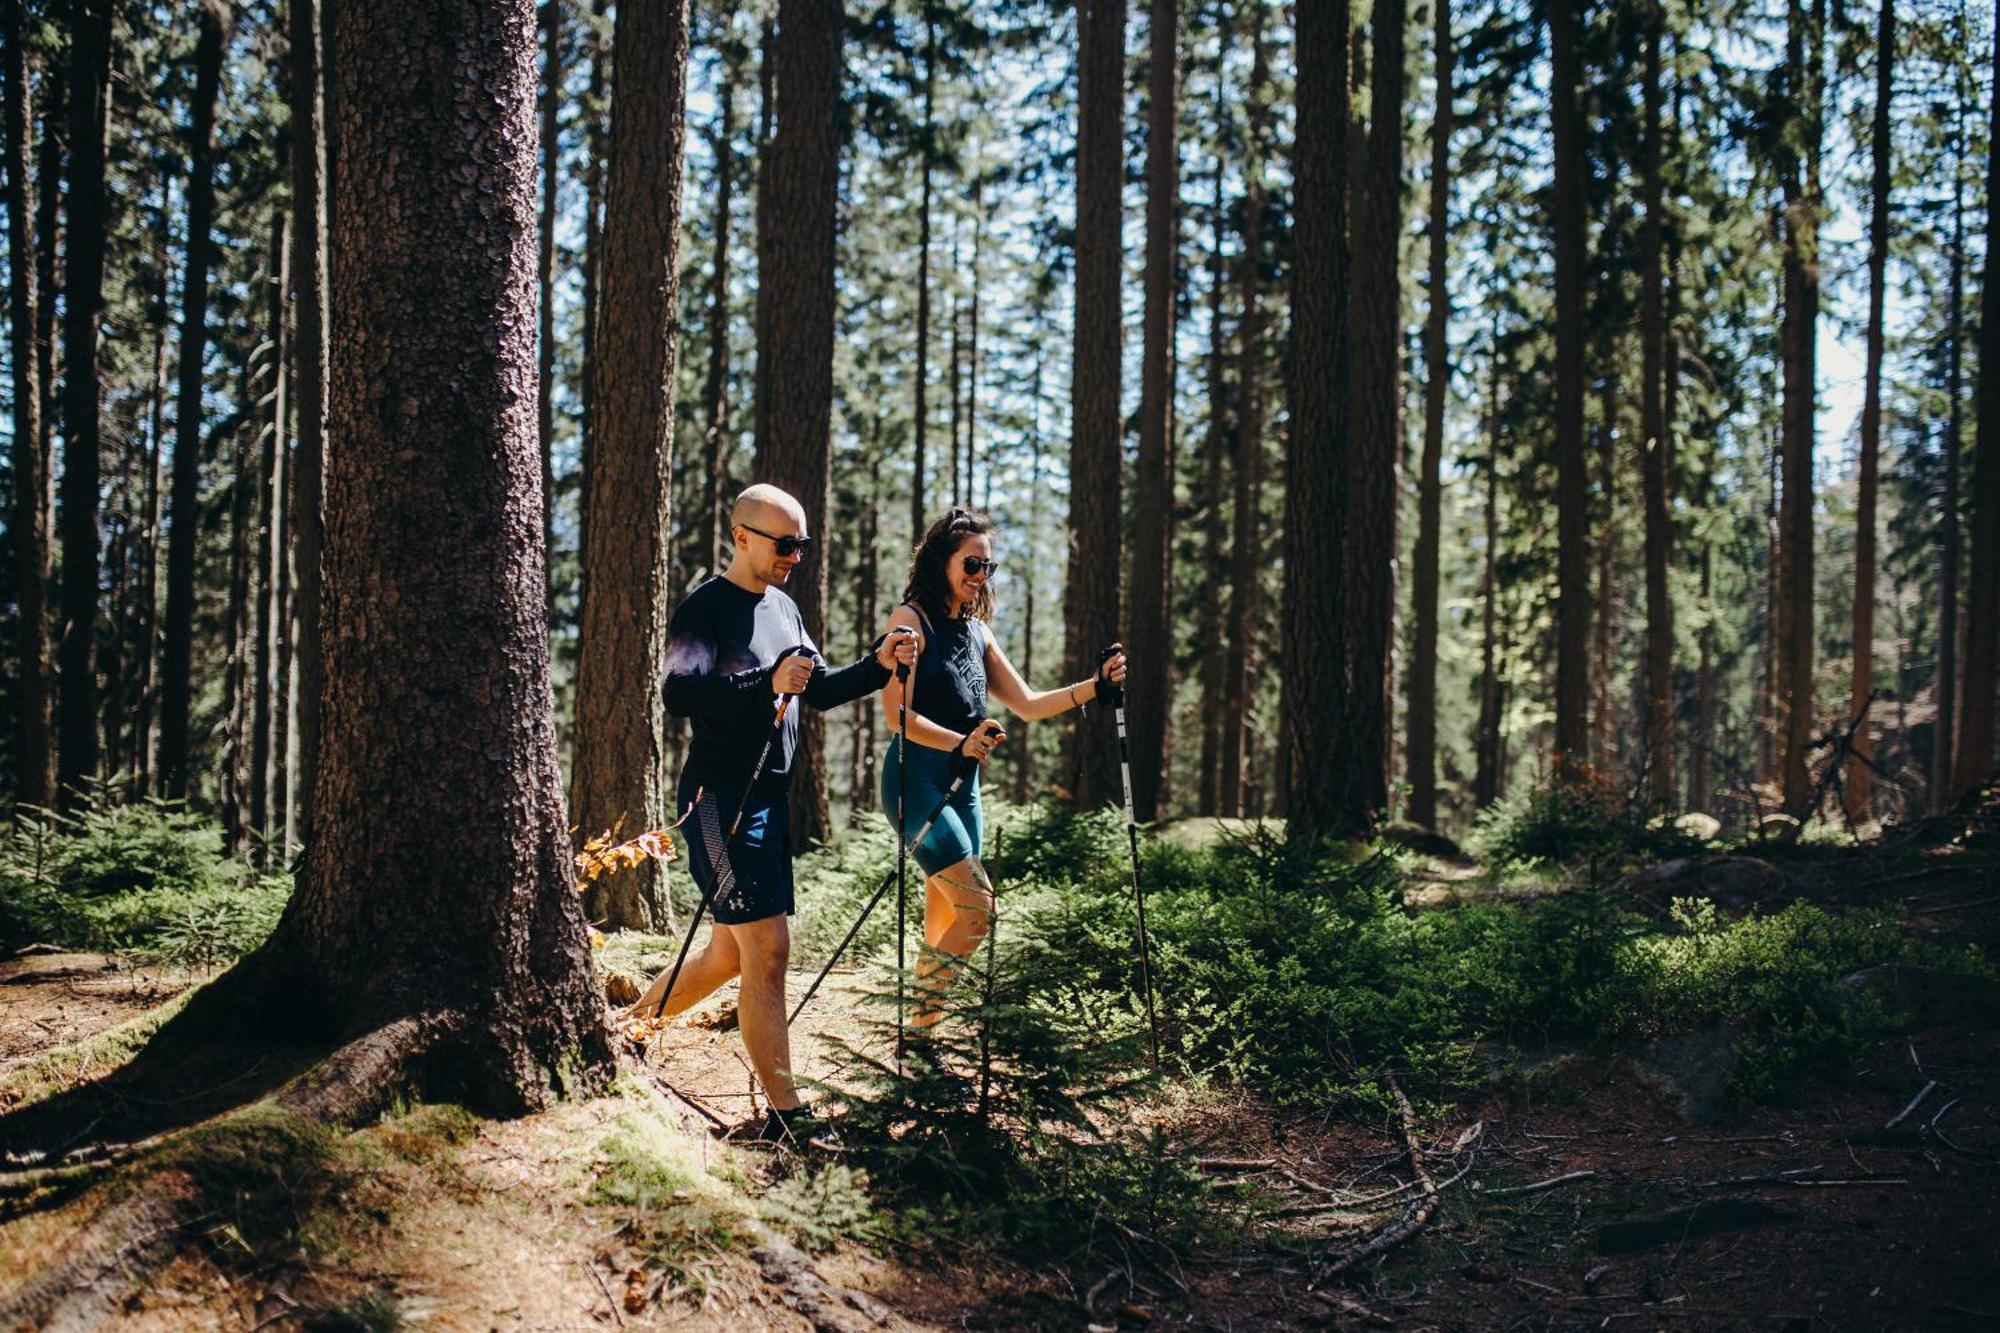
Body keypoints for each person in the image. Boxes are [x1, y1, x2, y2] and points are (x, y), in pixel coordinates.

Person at [629, 484, 917, 1145]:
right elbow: (678, 694)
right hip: (720, 801)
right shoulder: (708, 608)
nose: (795, 556)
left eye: (803, 545)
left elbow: (816, 688)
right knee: (769, 949)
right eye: (785, 544)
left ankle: (627, 1036)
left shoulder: (784, 608)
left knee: (728, 954)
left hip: (769, 802)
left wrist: (877, 663)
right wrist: (764, 683)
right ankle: (788, 1117)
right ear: (742, 536)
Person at [879, 506, 1127, 1026]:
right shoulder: (910, 621)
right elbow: (896, 716)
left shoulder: (977, 633)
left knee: (945, 918)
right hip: (916, 781)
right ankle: (915, 1032)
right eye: (971, 564)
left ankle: (917, 1045)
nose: (979, 577)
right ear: (940, 561)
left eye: (987, 568)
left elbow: (1030, 704)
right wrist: (960, 742)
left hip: (963, 786)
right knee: (978, 913)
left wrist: (1097, 687)